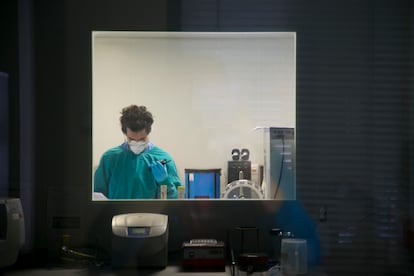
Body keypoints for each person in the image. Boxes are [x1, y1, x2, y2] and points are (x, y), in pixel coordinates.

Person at [94, 105, 182, 199]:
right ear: (125, 133)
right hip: (117, 213)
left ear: (148, 133)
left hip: (152, 213)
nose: (136, 143)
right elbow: (97, 196)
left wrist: (165, 181)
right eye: (131, 139)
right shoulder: (109, 158)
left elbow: (175, 199)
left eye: (142, 139)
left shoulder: (163, 158)